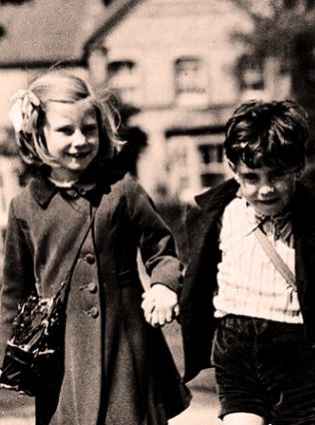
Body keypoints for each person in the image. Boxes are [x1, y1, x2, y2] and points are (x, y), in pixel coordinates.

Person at [0, 71, 190, 424]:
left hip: (126, 347)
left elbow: (162, 250)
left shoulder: (122, 190)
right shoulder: (24, 207)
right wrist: (8, 355)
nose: (80, 141)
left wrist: (164, 285)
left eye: (89, 129)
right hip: (63, 361)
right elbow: (14, 293)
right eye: (65, 130)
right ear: (38, 133)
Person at [179, 100, 315, 425]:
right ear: (233, 169)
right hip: (235, 343)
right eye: (252, 177)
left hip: (295, 347)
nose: (265, 189)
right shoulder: (217, 214)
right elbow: (196, 274)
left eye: (277, 175)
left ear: (298, 168)